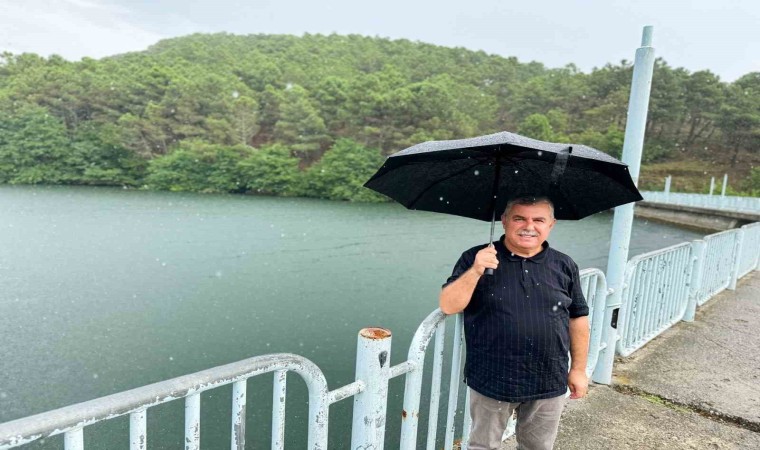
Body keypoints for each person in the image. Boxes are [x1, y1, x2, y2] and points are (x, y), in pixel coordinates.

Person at [439, 197, 590, 450]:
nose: (529, 226)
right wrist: (475, 270)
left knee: (538, 447)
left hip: (549, 376)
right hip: (492, 377)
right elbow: (448, 305)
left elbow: (578, 317)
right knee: (483, 446)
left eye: (538, 220)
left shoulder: (564, 264)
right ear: (504, 221)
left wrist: (578, 369)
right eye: (519, 218)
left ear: (551, 224)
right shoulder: (476, 258)